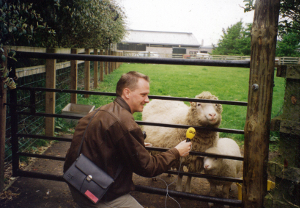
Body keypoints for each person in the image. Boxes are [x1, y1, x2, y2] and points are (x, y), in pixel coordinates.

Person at [64, 71, 192, 208]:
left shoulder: (102, 110)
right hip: (98, 192)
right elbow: (148, 167)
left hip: (77, 180)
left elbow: (102, 143)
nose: (147, 100)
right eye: (143, 95)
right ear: (127, 93)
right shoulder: (126, 124)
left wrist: (136, 144)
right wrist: (176, 151)